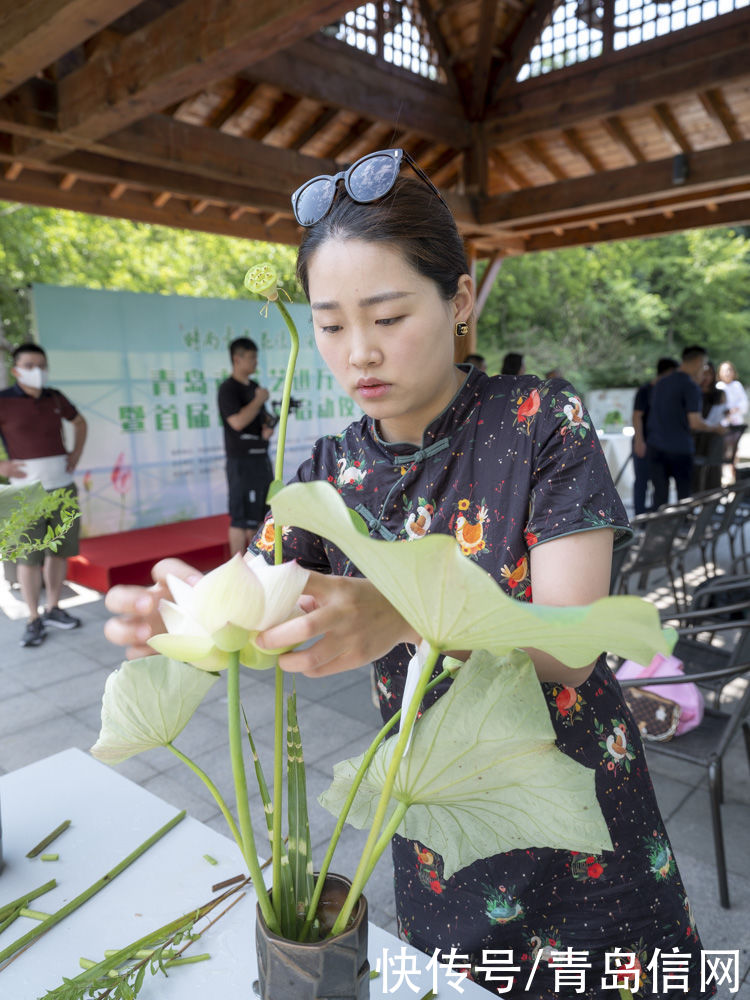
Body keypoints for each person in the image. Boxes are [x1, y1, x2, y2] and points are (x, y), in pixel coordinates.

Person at [105, 155, 712, 998]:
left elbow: (572, 642)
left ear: (459, 301)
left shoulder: (540, 421)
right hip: (433, 813)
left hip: (577, 807)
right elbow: (251, 594)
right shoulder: (329, 471)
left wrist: (395, 616)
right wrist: (179, 614)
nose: (359, 354)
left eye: (388, 315)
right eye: (329, 325)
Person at [0, 342, 87, 647]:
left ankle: (53, 607)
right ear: (16, 369)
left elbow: (79, 422)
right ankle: (33, 618)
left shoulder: (55, 397)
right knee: (29, 557)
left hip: (62, 487)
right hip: (25, 492)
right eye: (30, 365)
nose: (37, 370)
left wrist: (75, 453)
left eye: (41, 364)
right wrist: (2, 466)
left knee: (60, 551)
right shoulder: (4, 401)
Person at [647, 345, 725, 509]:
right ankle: (685, 529)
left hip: (655, 446)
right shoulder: (690, 386)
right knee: (684, 499)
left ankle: (658, 532)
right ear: (698, 361)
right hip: (679, 448)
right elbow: (695, 422)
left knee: (659, 496)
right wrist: (715, 428)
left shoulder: (661, 383)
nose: (704, 369)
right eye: (704, 364)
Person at [217, 337, 274, 556]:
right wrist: (259, 400)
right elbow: (237, 422)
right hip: (241, 461)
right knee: (241, 519)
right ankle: (237, 569)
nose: (255, 363)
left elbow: (262, 420)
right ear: (237, 359)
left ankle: (258, 563)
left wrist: (268, 427)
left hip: (261, 458)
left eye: (256, 358)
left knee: (261, 515)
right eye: (251, 358)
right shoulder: (228, 389)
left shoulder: (255, 387)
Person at [631, 357, 678, 515]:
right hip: (644, 441)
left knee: (659, 482)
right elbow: (637, 416)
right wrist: (639, 441)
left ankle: (656, 517)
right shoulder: (646, 391)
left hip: (660, 443)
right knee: (642, 481)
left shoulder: (668, 392)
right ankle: (640, 516)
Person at [716, 361, 748, 481]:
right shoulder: (718, 387)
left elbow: (744, 402)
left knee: (735, 450)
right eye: (724, 370)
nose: (727, 373)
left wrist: (736, 409)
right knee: (722, 449)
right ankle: (723, 475)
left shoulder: (737, 385)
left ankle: (734, 475)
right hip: (723, 424)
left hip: (735, 423)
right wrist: (727, 411)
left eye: (729, 370)